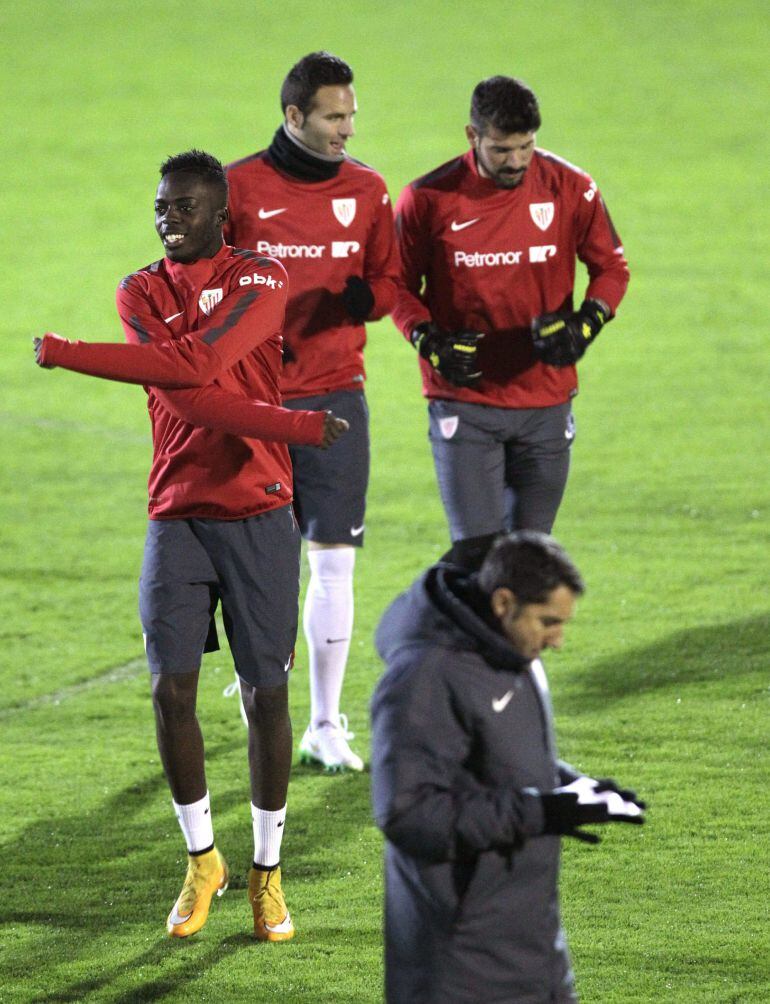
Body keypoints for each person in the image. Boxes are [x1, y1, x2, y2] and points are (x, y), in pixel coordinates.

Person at [33, 150, 349, 942]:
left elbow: (196, 364)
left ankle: (267, 871)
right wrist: (297, 426)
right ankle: (202, 858)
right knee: (170, 691)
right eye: (161, 204)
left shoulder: (263, 279)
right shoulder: (139, 288)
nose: (167, 216)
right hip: (176, 512)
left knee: (265, 695)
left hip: (259, 510)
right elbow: (184, 387)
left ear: (220, 215)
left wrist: (70, 354)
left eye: (183, 206)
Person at [371, 531, 645, 1003]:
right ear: (503, 602)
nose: (558, 640)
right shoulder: (424, 676)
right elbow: (408, 812)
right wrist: (540, 812)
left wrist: (575, 789)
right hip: (459, 959)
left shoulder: (512, 652)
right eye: (548, 622)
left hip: (533, 943)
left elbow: (504, 755)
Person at [224, 51, 400, 773]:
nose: (347, 130)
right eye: (334, 116)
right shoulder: (237, 188)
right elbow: (203, 282)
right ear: (293, 115)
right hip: (255, 403)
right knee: (261, 566)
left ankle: (326, 724)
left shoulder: (368, 190)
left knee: (333, 564)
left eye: (351, 116)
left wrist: (368, 301)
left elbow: (389, 281)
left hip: (335, 397)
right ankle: (259, 688)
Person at [393, 76, 630, 571]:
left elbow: (611, 268)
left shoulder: (571, 188)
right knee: (478, 558)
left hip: (544, 399)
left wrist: (587, 324)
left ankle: (520, 652)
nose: (516, 161)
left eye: (526, 147)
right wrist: (428, 339)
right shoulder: (428, 198)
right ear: (472, 136)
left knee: (528, 560)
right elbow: (393, 285)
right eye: (502, 149)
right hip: (465, 400)